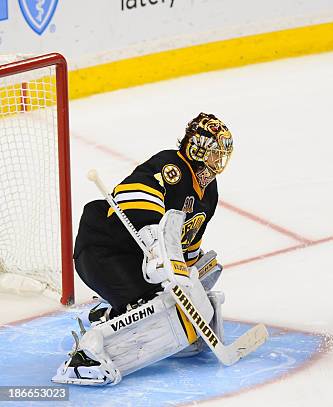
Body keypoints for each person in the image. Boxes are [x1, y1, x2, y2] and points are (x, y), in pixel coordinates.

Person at [52, 113, 233, 385]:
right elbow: (132, 194)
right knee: (152, 307)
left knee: (170, 300)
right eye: (215, 153)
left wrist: (192, 271)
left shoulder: (210, 191)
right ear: (198, 148)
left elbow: (187, 241)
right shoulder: (172, 165)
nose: (219, 160)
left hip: (135, 261)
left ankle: (109, 312)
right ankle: (83, 358)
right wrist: (153, 240)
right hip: (104, 250)